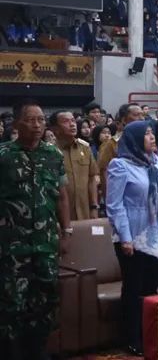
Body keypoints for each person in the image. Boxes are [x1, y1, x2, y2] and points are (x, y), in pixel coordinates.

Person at [0, 99, 71, 360]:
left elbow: (62, 196)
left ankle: (38, 350)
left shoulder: (53, 155)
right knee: (12, 303)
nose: (38, 125)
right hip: (12, 245)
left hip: (45, 242)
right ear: (17, 124)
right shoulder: (4, 156)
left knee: (46, 299)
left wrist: (67, 231)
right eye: (31, 120)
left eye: (41, 119)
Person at [106, 121, 158, 356]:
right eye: (146, 134)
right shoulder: (120, 165)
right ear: (135, 139)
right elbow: (115, 205)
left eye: (151, 133)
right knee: (134, 287)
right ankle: (132, 337)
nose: (152, 137)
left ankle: (152, 335)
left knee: (154, 287)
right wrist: (125, 237)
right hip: (133, 235)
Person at [51, 110, 100, 220]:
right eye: (66, 121)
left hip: (85, 211)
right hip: (60, 214)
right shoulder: (50, 152)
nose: (72, 124)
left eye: (73, 120)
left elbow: (92, 179)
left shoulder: (85, 148)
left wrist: (94, 207)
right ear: (55, 129)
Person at [97, 103, 144, 206]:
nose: (141, 119)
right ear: (124, 120)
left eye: (142, 115)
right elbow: (104, 172)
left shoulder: (146, 142)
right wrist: (109, 200)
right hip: (122, 198)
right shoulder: (111, 144)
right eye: (136, 115)